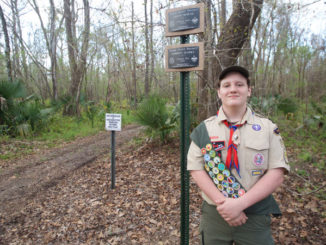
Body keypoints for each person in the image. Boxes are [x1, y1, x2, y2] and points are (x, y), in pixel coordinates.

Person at [187, 65, 290, 244]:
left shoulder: (268, 128)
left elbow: (277, 173)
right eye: (226, 85)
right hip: (215, 216)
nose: (233, 89)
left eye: (239, 85)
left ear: (249, 90)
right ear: (219, 92)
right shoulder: (203, 130)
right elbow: (196, 170)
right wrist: (225, 205)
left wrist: (240, 205)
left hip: (255, 215)